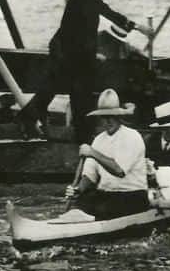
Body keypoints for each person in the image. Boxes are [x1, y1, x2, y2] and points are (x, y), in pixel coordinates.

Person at [20, 0, 154, 142]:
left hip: (66, 54)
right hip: (71, 57)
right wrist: (139, 27)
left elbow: (80, 33)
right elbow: (107, 15)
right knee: (79, 96)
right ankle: (81, 136)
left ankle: (29, 119)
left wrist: (90, 54)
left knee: (54, 91)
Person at [63, 89, 150, 220]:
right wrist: (77, 190)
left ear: (119, 117)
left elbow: (119, 171)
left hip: (132, 195)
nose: (108, 121)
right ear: (99, 119)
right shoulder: (98, 140)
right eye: (104, 117)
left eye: (112, 116)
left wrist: (92, 153)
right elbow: (90, 176)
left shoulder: (132, 136)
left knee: (102, 210)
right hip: (107, 195)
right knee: (81, 204)